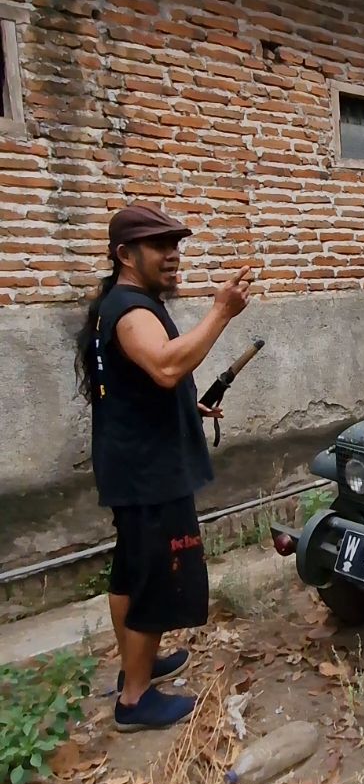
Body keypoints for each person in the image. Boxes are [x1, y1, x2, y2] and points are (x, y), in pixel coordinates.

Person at [76, 203, 253, 731]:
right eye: (159, 247)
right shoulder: (133, 311)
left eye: (175, 245)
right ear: (125, 255)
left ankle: (139, 662)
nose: (172, 256)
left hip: (131, 464)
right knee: (158, 578)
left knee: (131, 568)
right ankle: (134, 701)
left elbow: (141, 382)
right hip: (151, 474)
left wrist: (186, 407)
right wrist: (221, 310)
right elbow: (167, 364)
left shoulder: (118, 302)